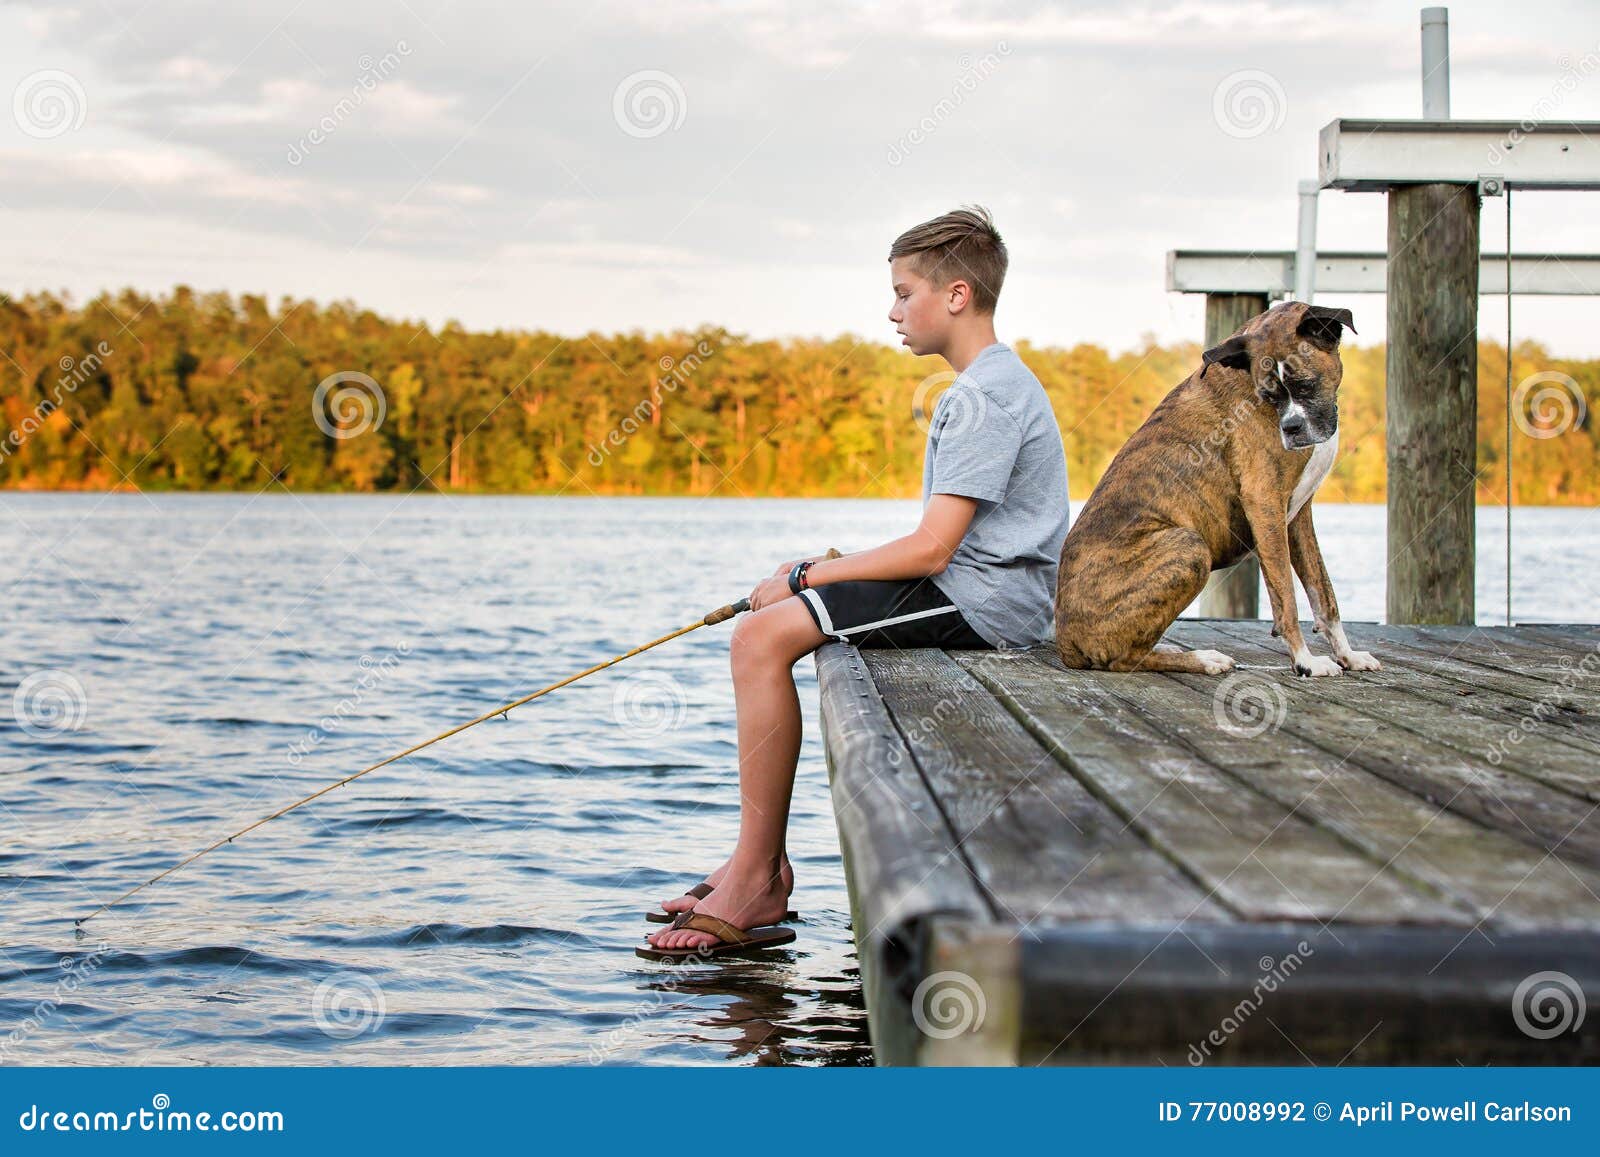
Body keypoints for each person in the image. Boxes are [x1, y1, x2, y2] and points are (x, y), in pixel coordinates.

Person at [643, 205, 1070, 957]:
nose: (893, 310)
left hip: (986, 605)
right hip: (982, 591)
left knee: (760, 637)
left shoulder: (983, 395)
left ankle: (758, 875)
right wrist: (813, 573)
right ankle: (756, 862)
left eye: (906, 292)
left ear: (957, 296)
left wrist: (807, 574)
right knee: (772, 625)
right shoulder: (991, 383)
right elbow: (937, 544)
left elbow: (933, 551)